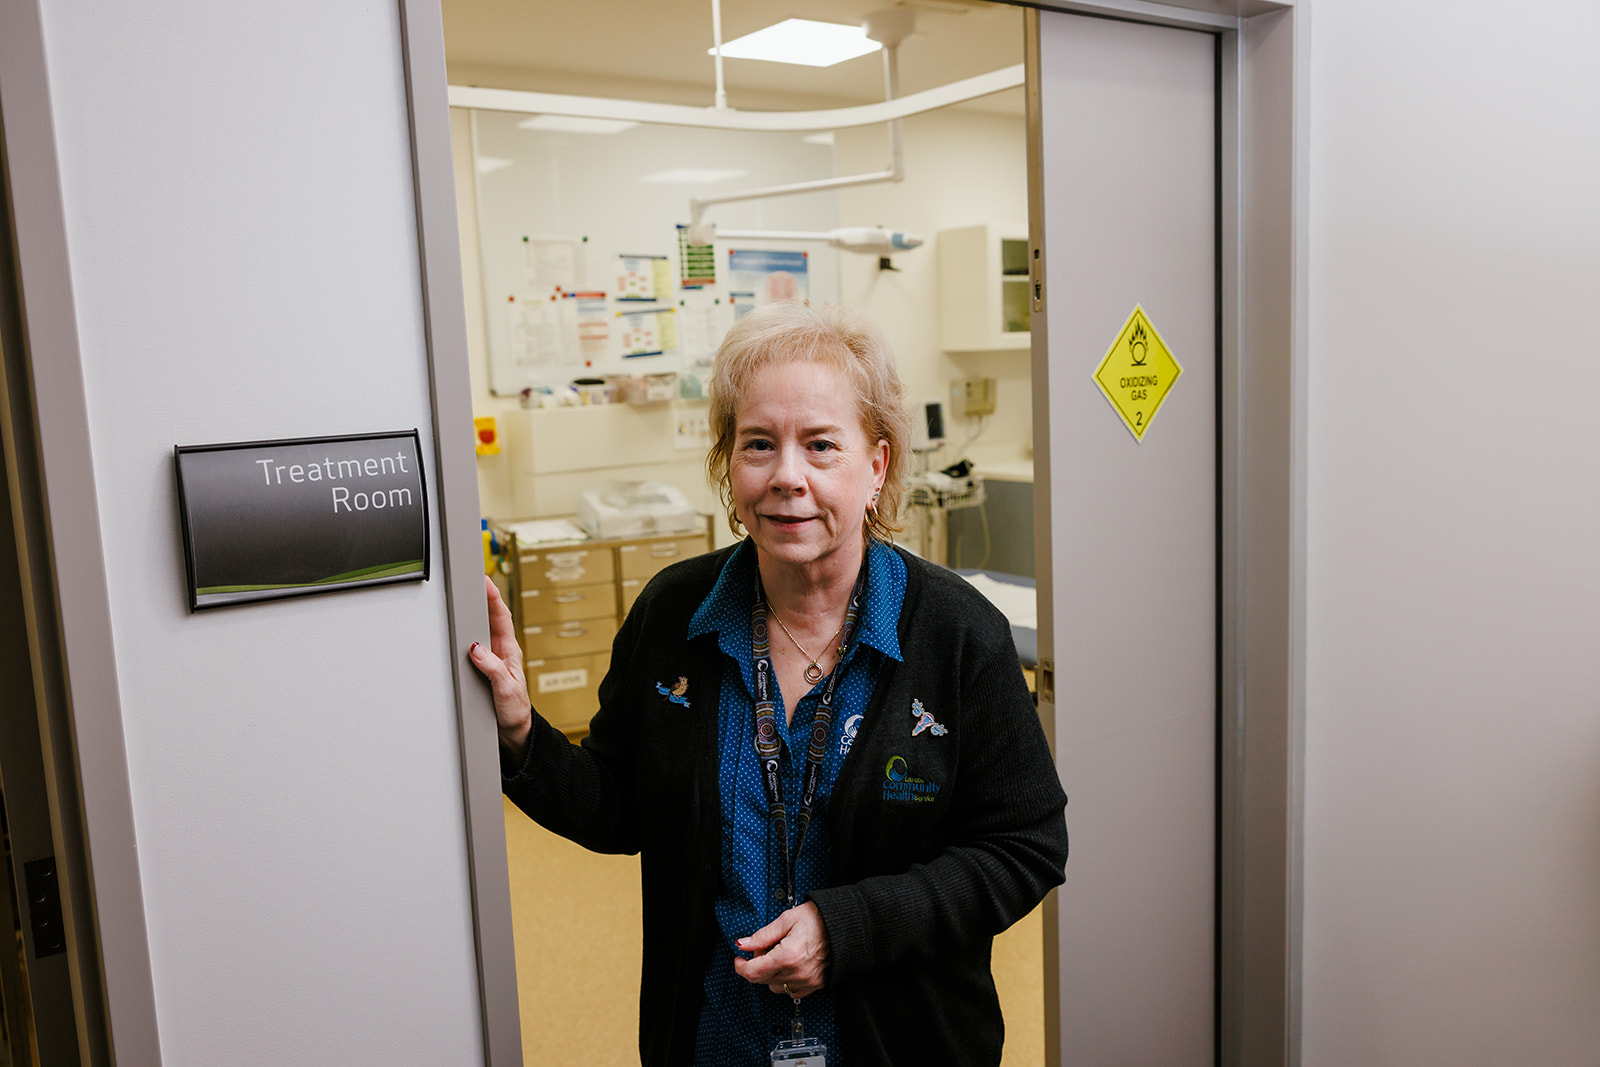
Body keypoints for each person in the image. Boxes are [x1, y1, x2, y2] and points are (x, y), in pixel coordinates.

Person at [471, 301, 1068, 1066]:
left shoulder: (956, 635)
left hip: (901, 1043)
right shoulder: (674, 614)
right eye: (759, 443)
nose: (788, 476)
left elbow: (1026, 844)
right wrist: (522, 731)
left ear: (876, 466)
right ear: (727, 462)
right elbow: (620, 807)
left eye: (821, 445)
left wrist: (851, 927)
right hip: (721, 1039)